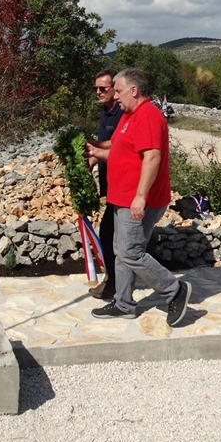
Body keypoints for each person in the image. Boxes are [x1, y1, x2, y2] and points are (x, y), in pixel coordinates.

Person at [85, 68, 191, 326]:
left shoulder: (147, 116)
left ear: (134, 90)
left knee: (130, 251)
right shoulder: (128, 115)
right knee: (121, 252)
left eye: (118, 91)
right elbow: (119, 151)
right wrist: (91, 148)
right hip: (121, 198)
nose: (115, 97)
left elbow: (152, 157)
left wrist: (140, 196)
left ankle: (173, 290)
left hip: (140, 199)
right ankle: (124, 303)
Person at [87, 69, 123, 300]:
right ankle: (114, 280)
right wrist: (89, 162)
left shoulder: (121, 112)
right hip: (110, 184)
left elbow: (116, 143)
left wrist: (90, 146)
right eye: (96, 89)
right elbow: (102, 148)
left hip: (122, 184)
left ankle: (114, 283)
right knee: (111, 233)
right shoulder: (105, 111)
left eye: (103, 89)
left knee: (109, 233)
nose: (98, 92)